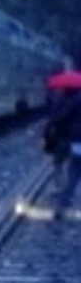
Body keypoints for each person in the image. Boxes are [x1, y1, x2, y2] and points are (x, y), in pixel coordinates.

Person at [49, 86, 81, 219]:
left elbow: (60, 118)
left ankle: (61, 206)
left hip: (78, 140)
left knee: (74, 173)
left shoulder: (77, 99)